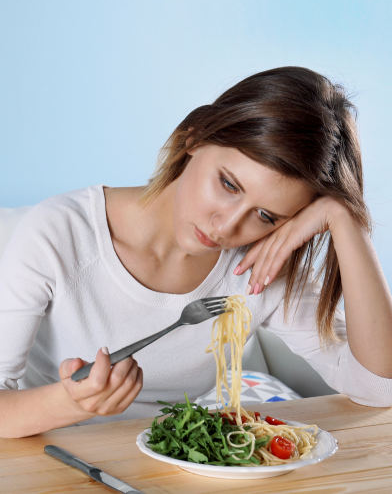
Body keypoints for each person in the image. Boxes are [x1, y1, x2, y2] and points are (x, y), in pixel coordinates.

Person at [1, 66, 391, 439]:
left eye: (265, 215)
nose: (226, 227)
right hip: (49, 456)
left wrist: (346, 221)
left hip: (174, 467)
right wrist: (73, 402)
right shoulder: (60, 233)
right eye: (228, 184)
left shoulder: (260, 267)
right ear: (195, 137)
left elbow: (379, 387)